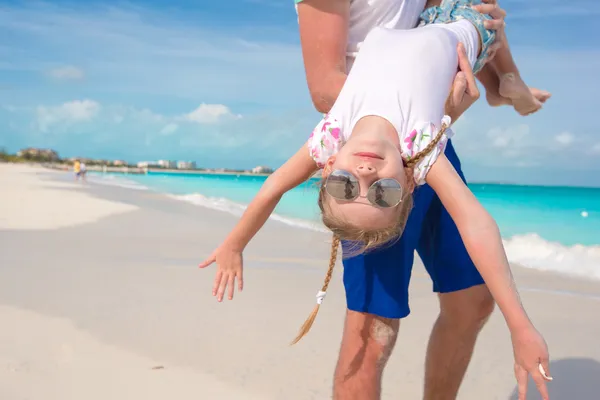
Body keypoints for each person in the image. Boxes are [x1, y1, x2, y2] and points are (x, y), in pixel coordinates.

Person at [200, 10, 552, 400]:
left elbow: (272, 188)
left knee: (469, 302)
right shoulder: (420, 145)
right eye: (382, 192)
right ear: (410, 180)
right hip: (464, 25)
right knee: (373, 331)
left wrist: (235, 243)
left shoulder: (331, 137)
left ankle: (506, 86)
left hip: (430, 20)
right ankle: (508, 84)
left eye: (345, 185)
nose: (365, 174)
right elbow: (476, 223)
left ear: (327, 166)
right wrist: (520, 325)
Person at [421, 0, 551, 115]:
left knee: (482, 16)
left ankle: (495, 87)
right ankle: (510, 76)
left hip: (430, 29)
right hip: (447, 27)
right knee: (483, 14)